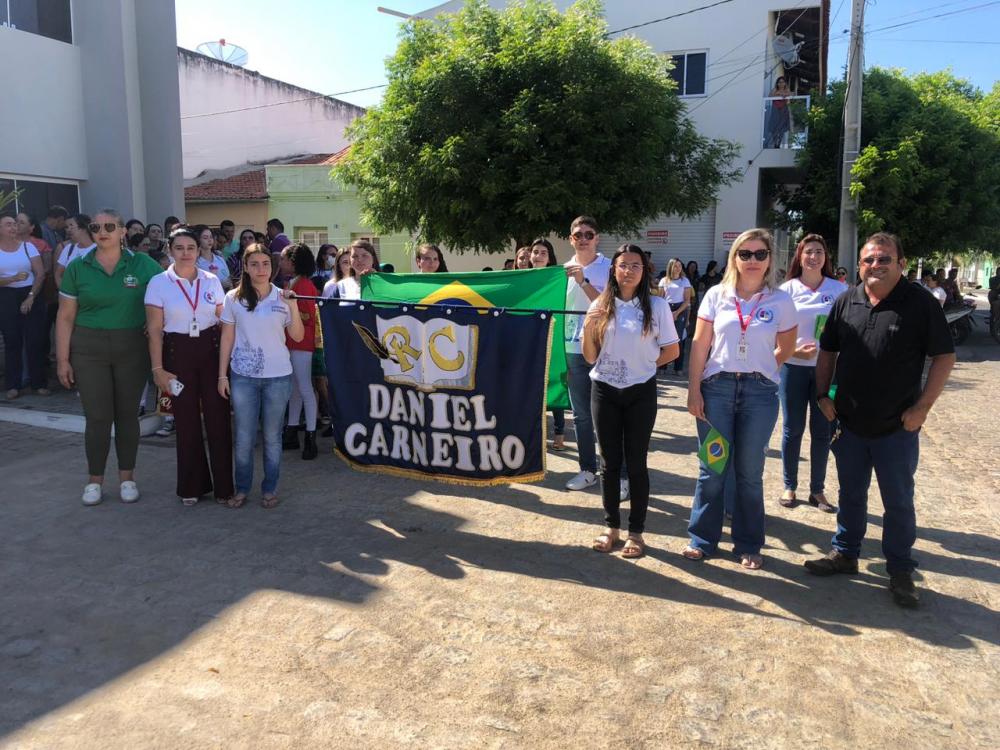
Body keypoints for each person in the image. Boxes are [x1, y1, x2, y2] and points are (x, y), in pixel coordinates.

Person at [806, 232, 955, 608]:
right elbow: (827, 351)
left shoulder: (920, 303)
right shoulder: (846, 300)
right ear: (859, 265)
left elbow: (944, 356)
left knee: (898, 501)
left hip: (897, 427)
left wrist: (923, 408)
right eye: (869, 260)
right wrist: (822, 395)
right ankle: (846, 553)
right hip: (849, 424)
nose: (876, 265)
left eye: (884, 258)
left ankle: (900, 569)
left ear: (901, 263)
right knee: (850, 494)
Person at [684, 229, 798, 569]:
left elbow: (787, 347)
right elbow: (700, 346)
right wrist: (693, 390)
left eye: (760, 254)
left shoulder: (780, 301)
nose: (752, 260)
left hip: (760, 396)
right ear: (734, 258)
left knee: (749, 473)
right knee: (712, 469)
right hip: (716, 390)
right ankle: (702, 539)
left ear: (769, 260)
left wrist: (762, 368)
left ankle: (748, 543)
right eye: (744, 254)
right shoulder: (716, 296)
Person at [55, 209, 162, 505]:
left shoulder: (143, 264)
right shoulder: (78, 267)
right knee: (97, 417)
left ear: (123, 231)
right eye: (96, 227)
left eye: (110, 227)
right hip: (88, 348)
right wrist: (63, 360)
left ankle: (127, 478)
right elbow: (65, 317)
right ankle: (94, 481)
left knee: (127, 415)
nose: (102, 232)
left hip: (132, 347)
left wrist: (155, 321)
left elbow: (168, 296)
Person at [584, 244, 680, 558]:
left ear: (644, 270)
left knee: (636, 463)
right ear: (613, 270)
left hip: (641, 391)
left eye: (635, 265)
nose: (628, 271)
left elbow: (672, 351)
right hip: (604, 390)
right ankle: (611, 527)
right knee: (608, 463)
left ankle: (636, 532)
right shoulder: (600, 304)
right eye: (623, 265)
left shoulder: (657, 306)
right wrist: (588, 324)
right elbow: (590, 357)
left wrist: (645, 365)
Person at [145, 227, 233, 507]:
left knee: (218, 419)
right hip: (177, 354)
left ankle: (224, 488)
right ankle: (192, 486)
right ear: (170, 250)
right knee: (186, 421)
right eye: (179, 248)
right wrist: (157, 369)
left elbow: (223, 320)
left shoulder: (211, 280)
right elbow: (155, 330)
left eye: (191, 248)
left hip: (210, 352)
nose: (186, 253)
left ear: (199, 250)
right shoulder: (158, 283)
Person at [219, 244, 304, 508]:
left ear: (272, 266)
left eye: (265, 263)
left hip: (278, 376)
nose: (261, 269)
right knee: (244, 437)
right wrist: (222, 375)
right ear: (245, 267)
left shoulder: (283, 297)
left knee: (272, 437)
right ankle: (242, 488)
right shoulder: (233, 298)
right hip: (243, 376)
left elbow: (298, 336)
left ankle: (270, 488)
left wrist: (293, 307)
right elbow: (227, 338)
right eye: (254, 264)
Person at [777, 234, 848, 512]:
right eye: (808, 252)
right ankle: (789, 485)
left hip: (826, 372)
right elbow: (774, 332)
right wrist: (794, 351)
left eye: (819, 251)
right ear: (800, 256)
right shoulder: (786, 290)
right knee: (792, 429)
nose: (813, 257)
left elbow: (848, 329)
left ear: (825, 257)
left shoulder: (839, 290)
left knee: (822, 431)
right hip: (793, 369)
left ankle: (817, 490)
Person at [563, 215, 612, 491]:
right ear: (570, 239)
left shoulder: (610, 267)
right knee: (581, 415)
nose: (583, 239)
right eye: (578, 235)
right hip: (572, 348)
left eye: (588, 234)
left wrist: (583, 281)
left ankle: (615, 473)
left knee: (608, 415)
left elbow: (609, 307)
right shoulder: (562, 270)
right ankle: (587, 470)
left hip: (604, 349)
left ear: (597, 238)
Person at [278, 243, 320, 461]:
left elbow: (308, 316)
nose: (280, 262)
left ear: (293, 262)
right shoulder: (293, 283)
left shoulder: (304, 285)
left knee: (304, 388)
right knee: (295, 388)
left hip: (302, 343)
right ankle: (292, 430)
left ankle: (310, 435)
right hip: (293, 342)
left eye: (284, 258)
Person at [0, 213, 47, 399]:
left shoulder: (28, 247)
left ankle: (38, 383)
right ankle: (13, 385)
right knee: (12, 340)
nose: (13, 227)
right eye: (8, 224)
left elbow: (40, 274)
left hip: (30, 293)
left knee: (35, 340)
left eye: (14, 224)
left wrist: (30, 297)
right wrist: (12, 278)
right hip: (6, 296)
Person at [526, 238, 565, 449]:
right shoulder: (521, 278)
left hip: (551, 335)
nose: (538, 256)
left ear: (549, 257)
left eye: (543, 253)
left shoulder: (555, 278)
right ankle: (533, 434)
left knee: (554, 383)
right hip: (526, 338)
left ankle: (559, 434)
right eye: (535, 252)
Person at [658, 258, 693, 375]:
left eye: (680, 266)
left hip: (680, 309)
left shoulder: (685, 281)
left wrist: (677, 313)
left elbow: (687, 300)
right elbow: (660, 299)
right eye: (675, 266)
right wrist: (666, 313)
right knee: (663, 338)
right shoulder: (664, 281)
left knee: (678, 339)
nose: (678, 268)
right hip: (666, 308)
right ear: (670, 267)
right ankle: (662, 367)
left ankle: (678, 368)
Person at [54, 214, 95, 289]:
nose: (68, 229)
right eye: (66, 227)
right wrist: (64, 292)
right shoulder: (69, 249)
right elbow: (58, 275)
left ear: (83, 227)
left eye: (71, 225)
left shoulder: (98, 249)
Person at [193, 225, 232, 290]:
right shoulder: (196, 263)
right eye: (205, 238)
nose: (210, 240)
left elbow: (229, 279)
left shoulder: (220, 259)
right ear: (198, 240)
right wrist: (220, 284)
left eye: (211, 237)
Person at [765, 76, 792, 148]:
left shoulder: (786, 90)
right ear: (777, 83)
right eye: (779, 82)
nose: (781, 84)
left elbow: (791, 95)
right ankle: (775, 143)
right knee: (774, 126)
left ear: (785, 83)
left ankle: (778, 143)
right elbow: (769, 96)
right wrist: (779, 94)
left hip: (784, 110)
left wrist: (785, 94)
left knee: (782, 127)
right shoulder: (775, 89)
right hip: (775, 110)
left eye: (782, 82)